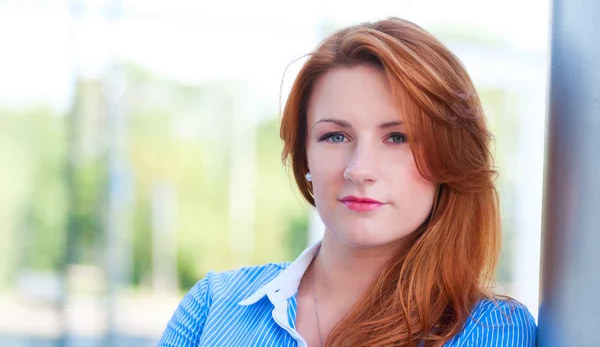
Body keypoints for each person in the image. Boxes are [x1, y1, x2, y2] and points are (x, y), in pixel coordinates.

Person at [158, 17, 537, 346]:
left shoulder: (489, 329)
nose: (359, 169)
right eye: (335, 136)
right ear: (305, 153)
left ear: (448, 158)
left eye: (397, 138)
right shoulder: (213, 305)